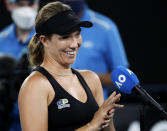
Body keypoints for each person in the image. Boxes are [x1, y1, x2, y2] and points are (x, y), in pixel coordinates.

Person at [18, 1, 124, 131]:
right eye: (65, 37)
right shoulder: (35, 85)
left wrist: (106, 117)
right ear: (44, 40)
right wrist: (91, 126)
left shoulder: (91, 79)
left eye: (77, 34)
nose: (74, 44)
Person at [56, 0, 130, 99]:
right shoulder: (48, 26)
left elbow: (122, 76)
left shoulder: (106, 27)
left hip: (95, 107)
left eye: (78, 35)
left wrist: (84, 78)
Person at [0, 0, 39, 130]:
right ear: (8, 4)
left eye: (30, 3)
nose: (26, 10)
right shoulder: (1, 40)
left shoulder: (50, 40)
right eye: (20, 4)